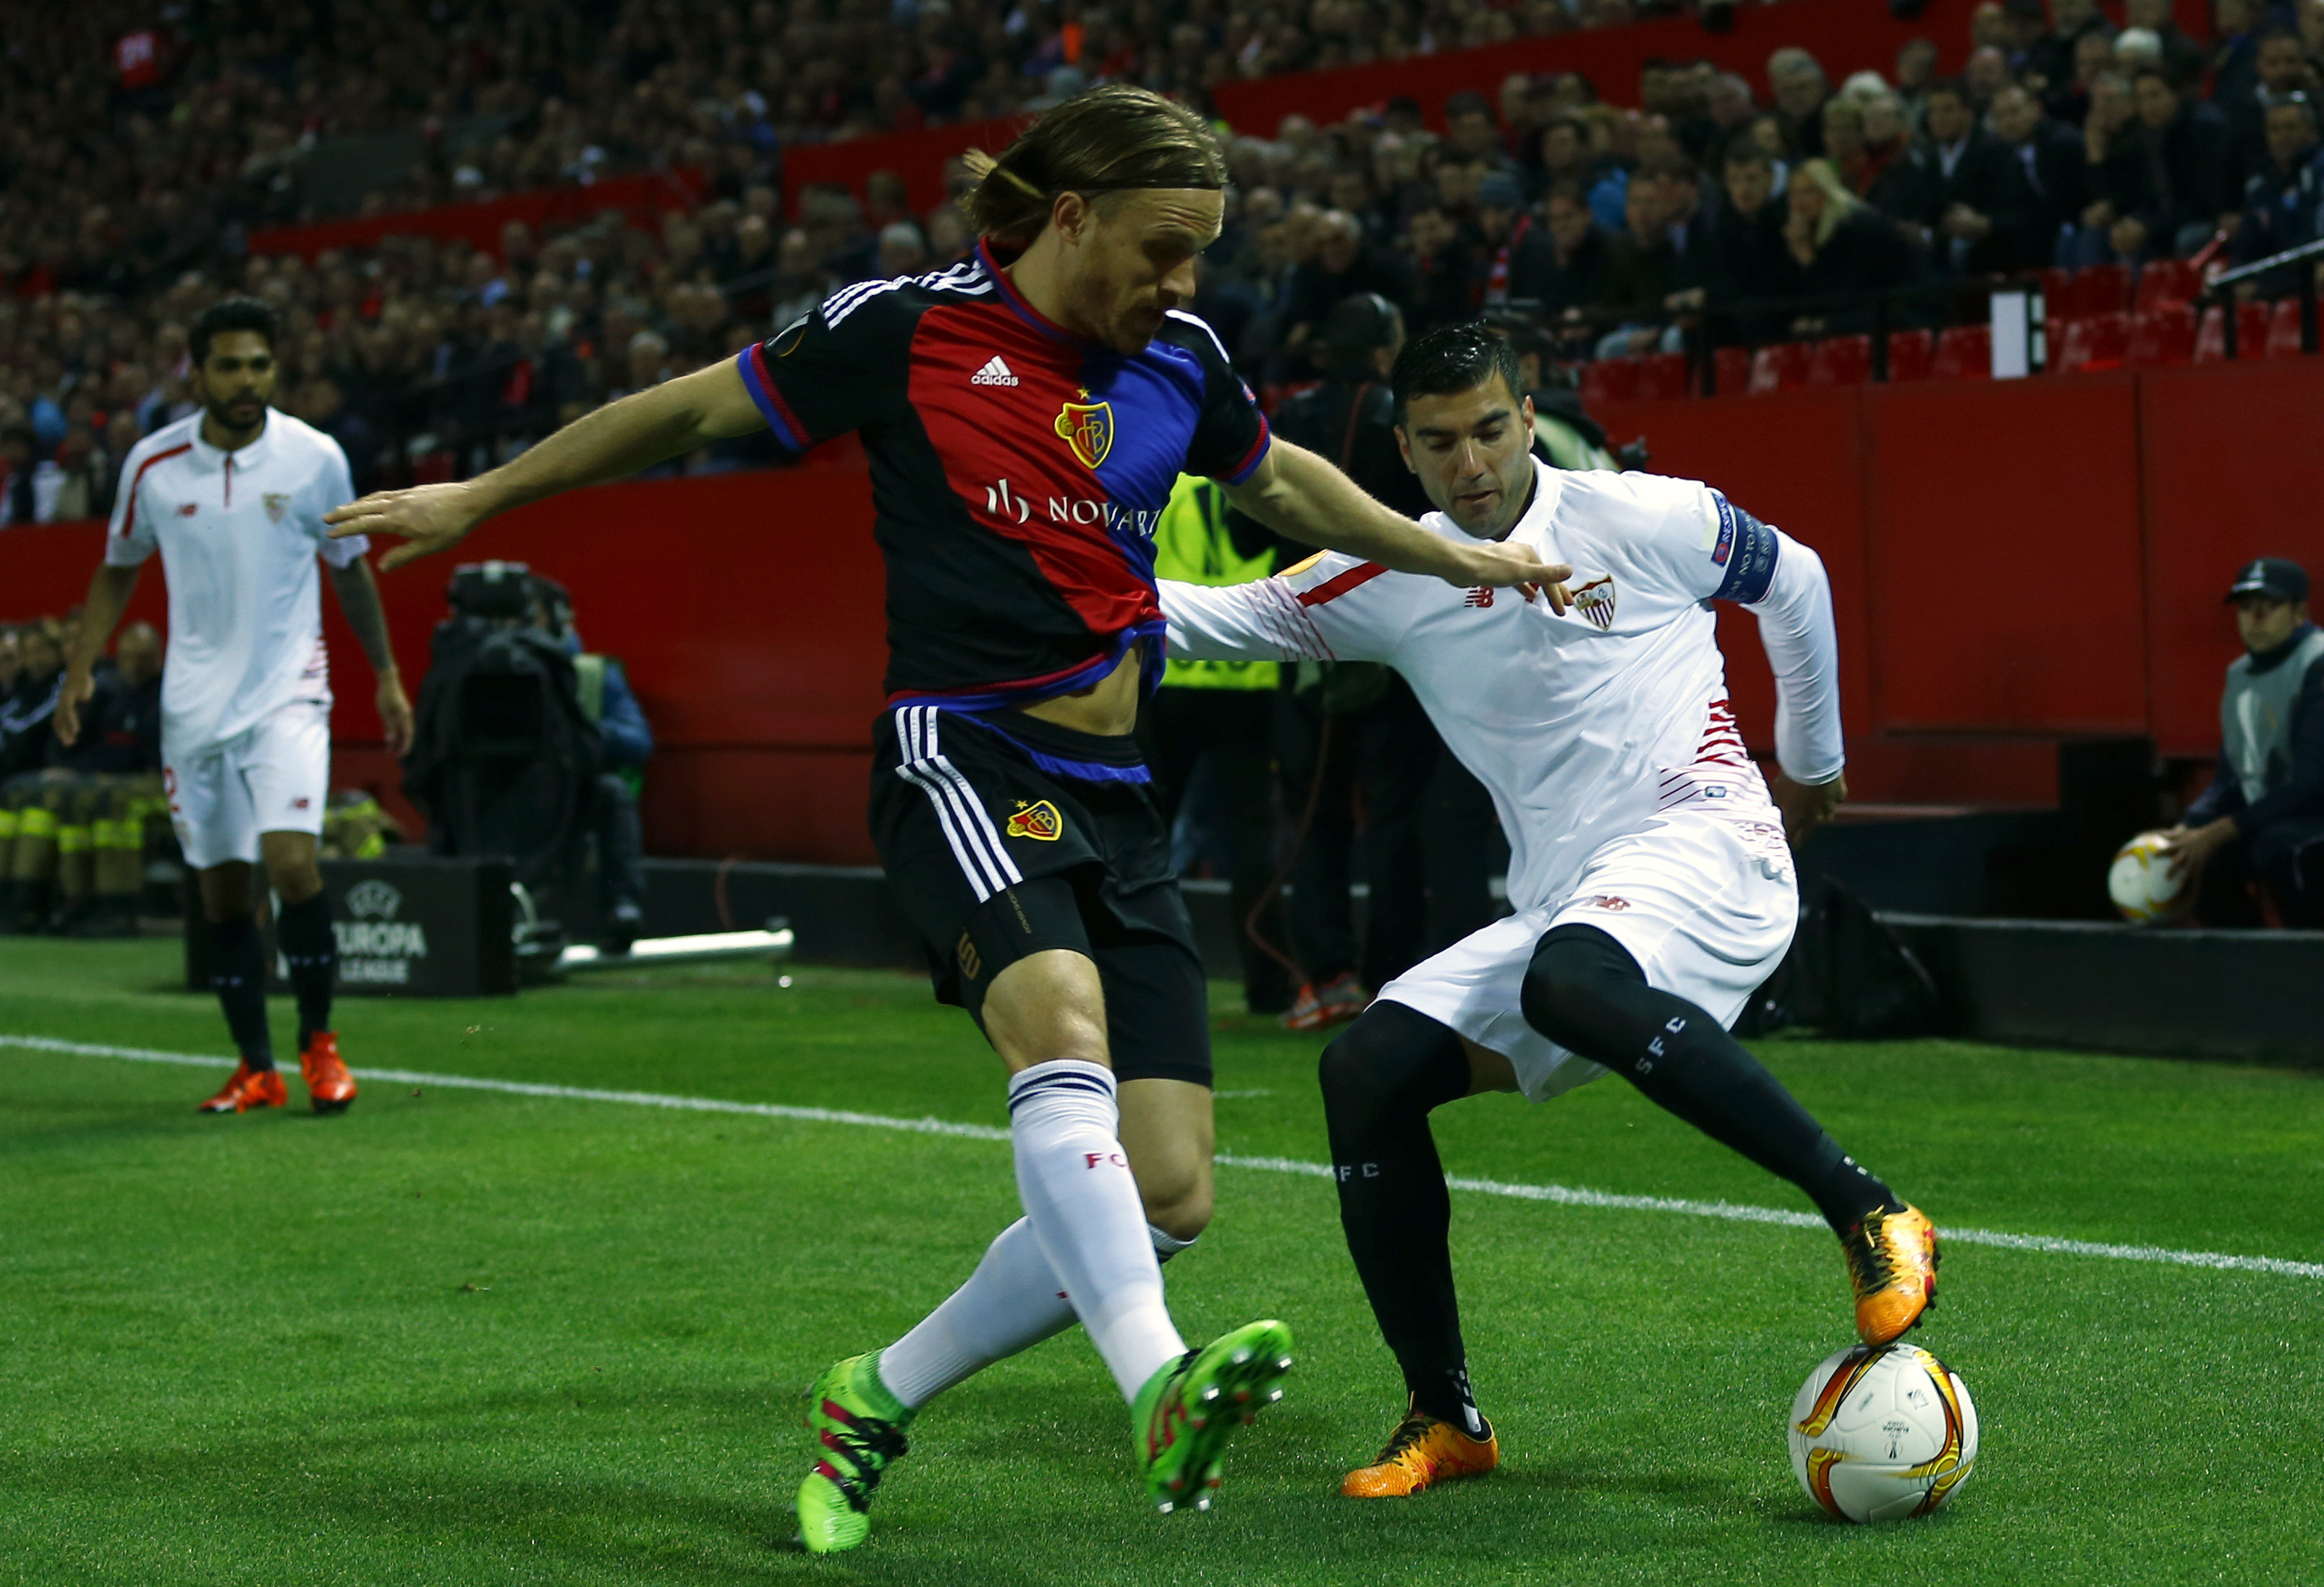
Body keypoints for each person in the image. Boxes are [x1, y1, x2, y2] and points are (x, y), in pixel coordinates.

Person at [318, 85, 1560, 1551]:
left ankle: (876, 1390)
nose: (1183, 284)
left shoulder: (1184, 355)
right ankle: (1157, 1378)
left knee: (1167, 1191)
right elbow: (698, 405)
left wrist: (1454, 556)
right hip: (961, 750)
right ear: (1072, 216)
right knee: (1062, 1028)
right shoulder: (906, 327)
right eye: (1163, 250)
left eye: (1201, 257)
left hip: (1122, 796)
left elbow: (1279, 478)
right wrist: (485, 494)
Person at [1158, 322, 1940, 1498]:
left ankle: (1869, 1208)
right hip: (1570, 904)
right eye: (1438, 442)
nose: (1468, 460)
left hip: (1708, 843)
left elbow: (1797, 577)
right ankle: (1446, 1412)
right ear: (1407, 455)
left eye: (1487, 427)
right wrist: (1052, 578)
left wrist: (1811, 763)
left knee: (1564, 979)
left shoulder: (1645, 515)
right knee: (1366, 1070)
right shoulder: (1393, 573)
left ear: (1528, 416)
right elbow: (1219, 616)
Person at [54, 297, 415, 1114]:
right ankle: (255, 1067)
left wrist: (388, 675)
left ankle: (320, 1047)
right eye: (229, 365)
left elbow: (350, 566)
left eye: (260, 363)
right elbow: (117, 565)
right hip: (190, 713)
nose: (247, 379)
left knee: (291, 865)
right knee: (221, 896)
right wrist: (80, 669)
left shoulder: (315, 457)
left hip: (289, 693)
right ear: (197, 372)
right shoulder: (151, 464)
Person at [2150, 558, 2324, 927]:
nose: (2254, 620)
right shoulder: (2240, 675)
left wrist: (2220, 831)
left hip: (2314, 816)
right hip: (2279, 817)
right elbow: (2231, 776)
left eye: (2268, 608)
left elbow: (2313, 783)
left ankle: (2306, 961)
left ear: (2300, 612)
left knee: (2279, 849)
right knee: (2196, 860)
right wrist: (2191, 828)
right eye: (2246, 609)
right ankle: (2247, 966)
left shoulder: (2317, 664)